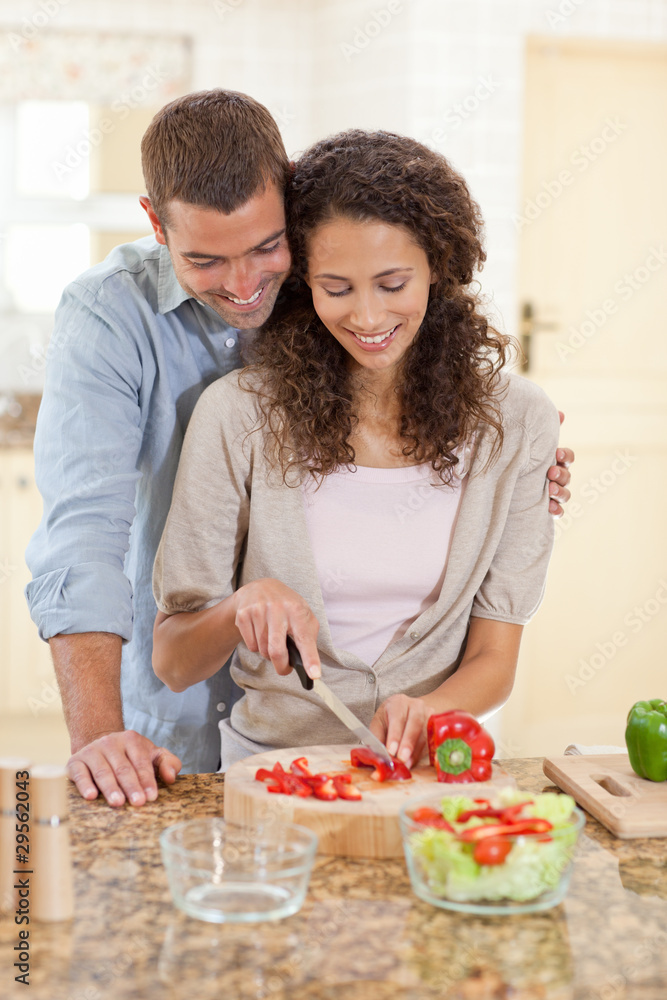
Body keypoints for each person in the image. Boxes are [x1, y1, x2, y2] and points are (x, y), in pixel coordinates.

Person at [25, 90, 573, 807]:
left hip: (414, 774)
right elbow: (84, 536)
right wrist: (99, 735)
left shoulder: (348, 286)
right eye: (206, 261)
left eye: (264, 250)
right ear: (156, 224)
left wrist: (518, 451)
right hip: (207, 727)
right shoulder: (123, 325)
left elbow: (493, 644)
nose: (246, 284)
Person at [152, 129, 561, 771]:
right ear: (303, 283)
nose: (368, 317)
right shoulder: (239, 415)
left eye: (393, 284)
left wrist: (433, 708)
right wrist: (239, 607)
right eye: (337, 288)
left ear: (439, 267)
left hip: (430, 768)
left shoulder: (517, 422)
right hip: (272, 771)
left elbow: (494, 661)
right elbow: (174, 661)